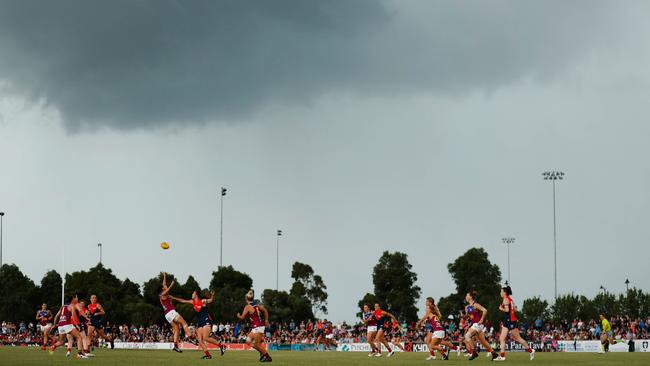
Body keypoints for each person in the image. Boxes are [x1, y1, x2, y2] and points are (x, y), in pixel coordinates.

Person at [170, 290, 226, 359]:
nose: (192, 294)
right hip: (200, 323)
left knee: (206, 338)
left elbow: (211, 300)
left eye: (193, 293)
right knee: (200, 340)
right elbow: (183, 301)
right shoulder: (193, 302)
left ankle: (221, 346)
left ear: (196, 295)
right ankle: (208, 355)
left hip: (206, 321)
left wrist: (212, 295)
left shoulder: (202, 301)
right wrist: (173, 298)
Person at [494, 286, 535, 361]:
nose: (500, 293)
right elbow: (515, 309)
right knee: (502, 338)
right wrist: (511, 310)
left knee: (518, 338)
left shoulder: (506, 299)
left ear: (504, 292)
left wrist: (501, 308)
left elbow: (507, 310)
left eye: (501, 291)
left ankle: (531, 350)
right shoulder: (510, 299)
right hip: (508, 321)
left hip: (510, 321)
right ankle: (502, 356)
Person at [159, 272, 193, 352]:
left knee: (177, 329)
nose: (165, 286)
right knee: (184, 323)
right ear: (163, 289)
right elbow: (167, 289)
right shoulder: (162, 294)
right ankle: (190, 338)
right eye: (165, 287)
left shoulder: (165, 294)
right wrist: (171, 285)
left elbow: (164, 283)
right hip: (171, 312)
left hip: (167, 315)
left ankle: (175, 346)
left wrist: (164, 276)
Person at [236, 290, 272, 362]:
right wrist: (266, 320)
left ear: (246, 298)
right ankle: (262, 353)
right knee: (248, 341)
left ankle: (268, 357)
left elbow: (242, 317)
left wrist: (238, 315)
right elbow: (265, 310)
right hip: (257, 326)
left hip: (258, 326)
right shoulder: (257, 305)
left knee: (257, 344)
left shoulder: (247, 307)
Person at [463, 291, 499, 360]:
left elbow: (485, 310)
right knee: (483, 342)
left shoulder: (475, 304)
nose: (466, 297)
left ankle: (474, 352)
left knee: (467, 336)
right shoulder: (467, 307)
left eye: (467, 295)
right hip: (475, 325)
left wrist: (482, 319)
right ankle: (494, 354)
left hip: (478, 324)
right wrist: (466, 316)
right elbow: (470, 316)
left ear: (470, 297)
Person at [49, 294, 87, 359]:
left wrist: (54, 325)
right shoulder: (72, 305)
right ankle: (79, 354)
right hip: (67, 324)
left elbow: (56, 316)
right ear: (73, 299)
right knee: (79, 337)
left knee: (61, 342)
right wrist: (77, 325)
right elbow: (74, 317)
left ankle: (53, 346)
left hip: (60, 325)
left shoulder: (62, 306)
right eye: (76, 297)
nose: (77, 299)